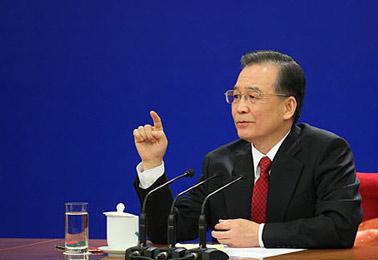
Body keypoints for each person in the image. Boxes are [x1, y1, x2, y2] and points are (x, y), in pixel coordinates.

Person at [133, 50, 362, 248]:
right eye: (236, 97)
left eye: (253, 97)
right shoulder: (221, 163)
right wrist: (153, 164)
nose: (240, 108)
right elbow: (168, 231)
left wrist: (260, 235)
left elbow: (339, 227)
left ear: (288, 107)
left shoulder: (325, 151)